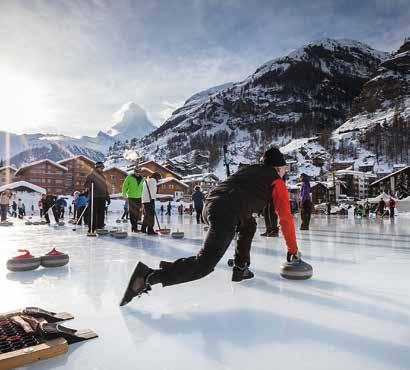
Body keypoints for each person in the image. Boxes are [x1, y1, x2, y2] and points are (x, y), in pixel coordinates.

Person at [120, 147, 303, 306]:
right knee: (204, 265)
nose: (284, 172)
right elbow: (285, 218)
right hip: (226, 212)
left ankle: (241, 267)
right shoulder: (276, 181)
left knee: (249, 224)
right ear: (278, 167)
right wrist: (293, 249)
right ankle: (149, 277)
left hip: (210, 206)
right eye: (284, 169)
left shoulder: (248, 170)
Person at [84, 161, 110, 234]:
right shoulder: (91, 175)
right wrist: (90, 185)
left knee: (101, 213)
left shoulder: (103, 177)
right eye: (100, 168)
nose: (102, 169)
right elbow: (86, 185)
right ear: (97, 167)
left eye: (102, 168)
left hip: (102, 197)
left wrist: (107, 197)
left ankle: (100, 226)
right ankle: (92, 228)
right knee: (93, 213)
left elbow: (105, 188)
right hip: (94, 197)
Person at [121, 167, 144, 232]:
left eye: (139, 172)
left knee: (137, 214)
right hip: (131, 198)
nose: (138, 173)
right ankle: (134, 227)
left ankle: (135, 227)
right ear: (134, 172)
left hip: (139, 198)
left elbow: (144, 189)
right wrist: (124, 195)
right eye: (136, 172)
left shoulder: (142, 179)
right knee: (132, 213)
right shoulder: (129, 177)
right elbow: (124, 187)